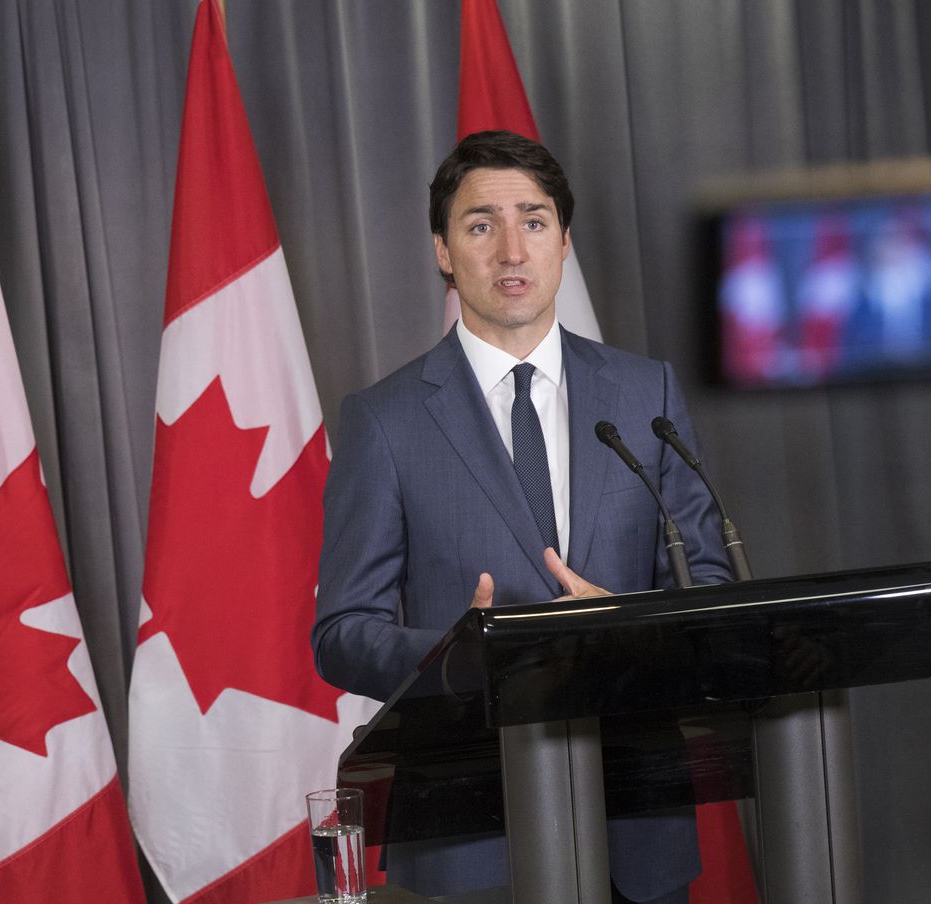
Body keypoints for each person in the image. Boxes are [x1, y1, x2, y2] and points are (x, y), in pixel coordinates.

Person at [312, 130, 731, 904]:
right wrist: (456, 656)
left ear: (563, 242)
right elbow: (340, 633)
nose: (511, 250)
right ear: (443, 250)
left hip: (634, 822)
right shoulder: (384, 420)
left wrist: (632, 623)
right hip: (470, 831)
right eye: (481, 225)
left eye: (533, 221)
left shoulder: (648, 397)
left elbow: (710, 582)